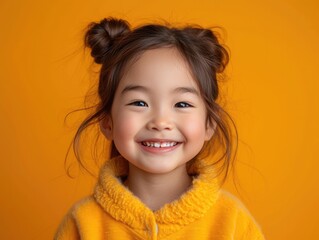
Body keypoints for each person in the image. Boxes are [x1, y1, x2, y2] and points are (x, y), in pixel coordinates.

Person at [54, 17, 265, 239]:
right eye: (139, 103)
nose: (160, 121)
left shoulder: (233, 223)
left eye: (182, 104)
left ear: (209, 124)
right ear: (108, 122)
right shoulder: (83, 223)